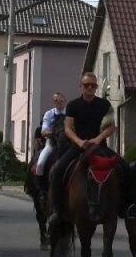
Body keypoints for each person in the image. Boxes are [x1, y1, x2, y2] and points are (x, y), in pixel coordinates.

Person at [45, 72, 115, 233]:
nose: (90, 88)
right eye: (86, 85)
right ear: (81, 86)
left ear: (96, 87)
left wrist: (98, 139)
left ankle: (128, 207)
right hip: (78, 146)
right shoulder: (73, 105)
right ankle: (57, 210)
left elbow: (111, 127)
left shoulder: (104, 104)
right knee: (57, 170)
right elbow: (68, 128)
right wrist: (78, 141)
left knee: (124, 168)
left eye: (93, 85)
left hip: (99, 146)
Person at [33, 91, 67, 177]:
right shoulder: (48, 114)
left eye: (61, 100)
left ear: (65, 101)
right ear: (53, 102)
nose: (59, 102)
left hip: (68, 142)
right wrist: (55, 133)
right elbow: (43, 132)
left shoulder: (70, 113)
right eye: (56, 100)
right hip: (52, 142)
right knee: (40, 164)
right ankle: (39, 182)